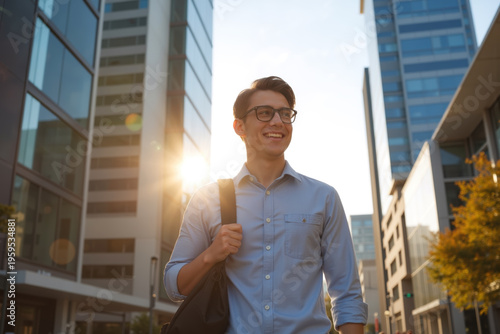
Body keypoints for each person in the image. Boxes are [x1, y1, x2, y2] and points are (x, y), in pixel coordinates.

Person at [164, 76, 368, 333]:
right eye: (265, 113)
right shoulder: (208, 199)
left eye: (285, 114)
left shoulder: (324, 198)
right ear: (239, 127)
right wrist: (211, 254)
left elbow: (346, 293)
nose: (278, 122)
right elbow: (173, 285)